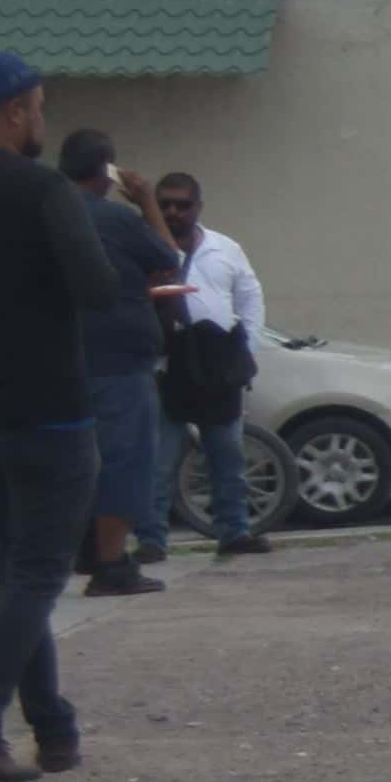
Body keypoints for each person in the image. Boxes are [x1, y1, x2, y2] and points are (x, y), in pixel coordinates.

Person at [0, 51, 116, 779]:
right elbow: (95, 287)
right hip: (48, 409)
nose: (42, 121)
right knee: (36, 578)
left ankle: (54, 729)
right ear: (16, 109)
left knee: (12, 573)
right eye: (40, 107)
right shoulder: (42, 189)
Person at [59, 130, 182, 597]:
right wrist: (147, 201)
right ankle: (110, 563)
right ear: (107, 171)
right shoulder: (114, 218)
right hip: (118, 360)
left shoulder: (46, 211)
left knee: (68, 465)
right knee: (125, 460)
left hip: (60, 358)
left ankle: (73, 552)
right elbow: (168, 258)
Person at [153, 167, 266, 558]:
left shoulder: (224, 248)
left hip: (217, 362)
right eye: (164, 204)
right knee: (160, 459)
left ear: (198, 207)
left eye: (182, 205)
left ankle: (234, 532)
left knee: (227, 455)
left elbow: (250, 296)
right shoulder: (149, 245)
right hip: (168, 363)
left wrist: (247, 350)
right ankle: (152, 541)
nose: (172, 212)